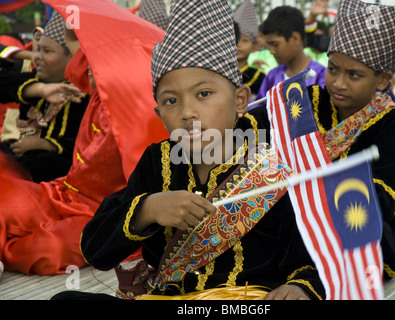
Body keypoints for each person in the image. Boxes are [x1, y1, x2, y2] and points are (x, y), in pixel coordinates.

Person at [75, 0, 325, 301]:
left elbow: (316, 252)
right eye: (171, 101)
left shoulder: (274, 162)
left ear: (240, 100)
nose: (187, 113)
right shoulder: (158, 162)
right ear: (158, 114)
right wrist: (148, 209)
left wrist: (300, 286)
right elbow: (94, 250)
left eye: (203, 94)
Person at [0, 0, 167, 276]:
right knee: (6, 199)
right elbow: (76, 60)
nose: (88, 64)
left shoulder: (135, 105)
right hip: (62, 192)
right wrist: (79, 16)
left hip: (101, 214)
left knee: (43, 248)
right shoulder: (93, 92)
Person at [254, 0, 395, 280]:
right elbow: (260, 132)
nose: (338, 83)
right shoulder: (308, 100)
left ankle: (309, 280)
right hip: (295, 211)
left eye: (354, 75)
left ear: (382, 79)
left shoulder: (392, 120)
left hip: (353, 219)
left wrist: (314, 190)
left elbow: (382, 199)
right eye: (334, 68)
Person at [0, 12, 90, 183]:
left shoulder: (83, 92)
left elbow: (89, 147)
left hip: (61, 167)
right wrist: (40, 89)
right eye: (38, 49)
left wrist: (45, 144)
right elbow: (4, 84)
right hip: (27, 154)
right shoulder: (33, 79)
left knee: (43, 163)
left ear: (71, 57)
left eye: (47, 51)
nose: (37, 57)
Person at [251, 5, 326, 110]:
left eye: (275, 44)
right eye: (268, 46)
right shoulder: (272, 77)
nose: (271, 51)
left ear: (295, 38)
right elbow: (258, 111)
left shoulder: (321, 75)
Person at [234, 0, 265, 98]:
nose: (238, 44)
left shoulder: (258, 76)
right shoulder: (219, 72)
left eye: (245, 40)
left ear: (255, 46)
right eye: (235, 39)